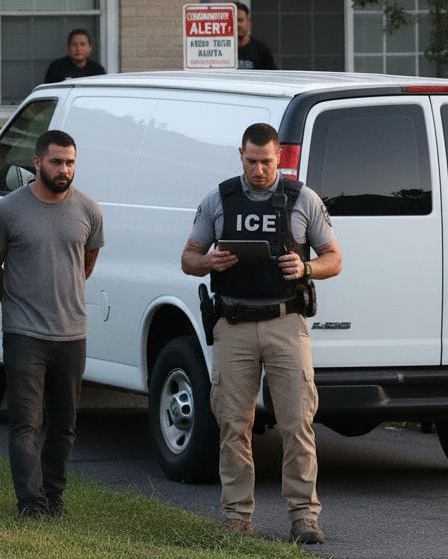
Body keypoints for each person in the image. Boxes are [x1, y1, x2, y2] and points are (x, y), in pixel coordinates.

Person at [180, 123, 341, 544]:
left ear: (279, 158)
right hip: (233, 324)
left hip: (285, 322)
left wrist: (306, 268)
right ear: (241, 156)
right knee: (233, 423)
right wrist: (209, 261)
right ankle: (236, 517)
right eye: (251, 161)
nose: (259, 170)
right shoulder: (219, 198)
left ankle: (304, 516)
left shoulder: (302, 198)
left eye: (267, 162)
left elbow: (334, 258)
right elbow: (188, 258)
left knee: (297, 422)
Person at [0, 130, 104, 518]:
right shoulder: (7, 211)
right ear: (37, 162)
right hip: (24, 333)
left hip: (72, 333)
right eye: (56, 161)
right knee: (25, 422)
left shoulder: (88, 210)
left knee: (65, 424)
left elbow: (85, 263)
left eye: (70, 162)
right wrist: (16, 302)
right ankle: (31, 502)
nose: (64, 169)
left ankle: (54, 496)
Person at [235, 3, 277, 70]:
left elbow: (273, 76)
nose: (237, 24)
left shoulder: (262, 50)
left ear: (249, 23)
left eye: (240, 20)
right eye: (233, 21)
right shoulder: (222, 50)